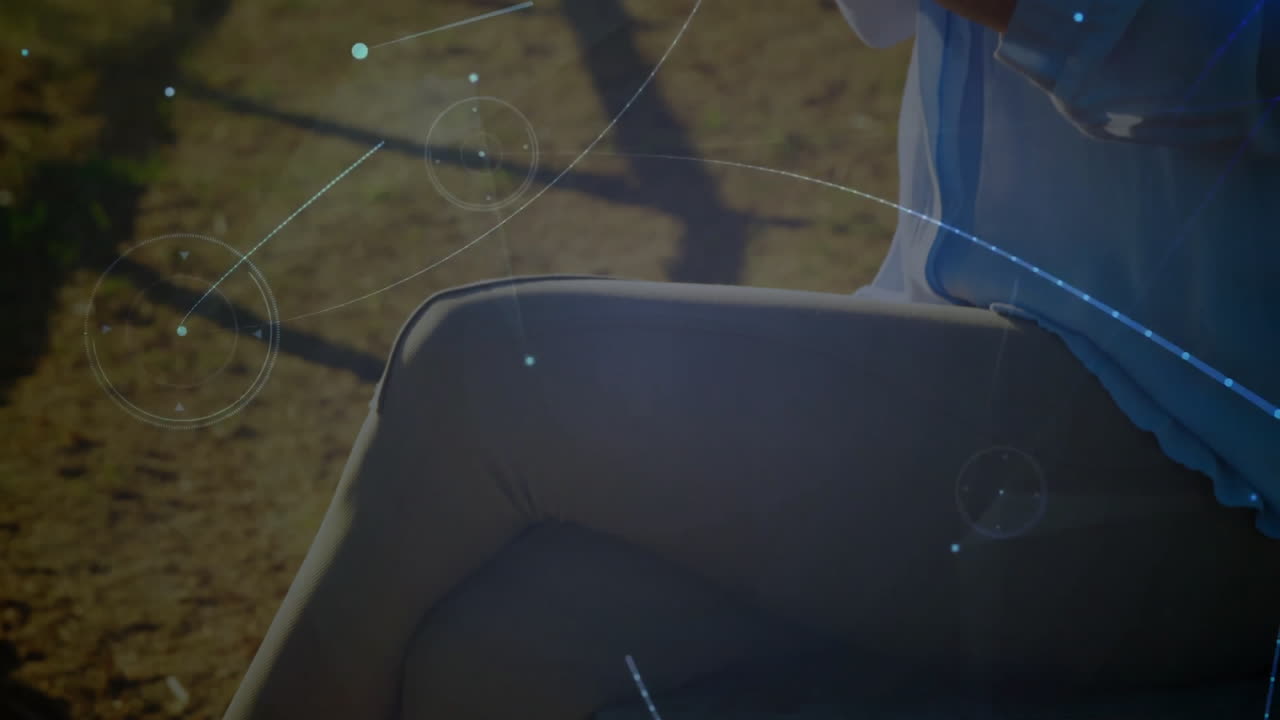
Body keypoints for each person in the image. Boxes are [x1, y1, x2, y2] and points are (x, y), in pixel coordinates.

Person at [221, 1, 1280, 718]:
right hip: (996, 378)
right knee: (496, 654)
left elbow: (1218, 55)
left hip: (1210, 466)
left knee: (492, 368)